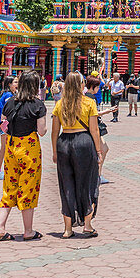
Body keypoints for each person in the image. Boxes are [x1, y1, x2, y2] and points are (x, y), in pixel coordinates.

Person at [0, 70, 46, 240]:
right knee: (28, 188)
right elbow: (42, 131)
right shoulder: (38, 104)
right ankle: (28, 231)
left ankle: (0, 228)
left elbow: (2, 126)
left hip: (11, 147)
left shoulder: (9, 102)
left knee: (9, 187)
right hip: (29, 149)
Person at [51, 72, 101, 239]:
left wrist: (54, 151)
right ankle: (87, 225)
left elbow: (54, 131)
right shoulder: (88, 102)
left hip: (64, 142)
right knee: (86, 182)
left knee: (66, 184)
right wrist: (99, 151)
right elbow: (94, 130)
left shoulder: (60, 104)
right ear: (80, 85)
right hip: (84, 142)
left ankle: (67, 228)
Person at [0, 75, 17, 179]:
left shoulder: (9, 94)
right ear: (9, 84)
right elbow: (10, 109)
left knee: (5, 148)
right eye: (15, 82)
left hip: (5, 124)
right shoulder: (8, 95)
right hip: (6, 124)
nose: (17, 85)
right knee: (5, 148)